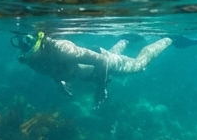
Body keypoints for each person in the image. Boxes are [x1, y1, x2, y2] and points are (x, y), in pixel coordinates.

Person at [15, 31, 171, 103]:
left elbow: (103, 61)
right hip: (90, 71)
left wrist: (101, 88)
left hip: (99, 62)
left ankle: (169, 38)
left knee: (139, 66)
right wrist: (60, 83)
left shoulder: (61, 49)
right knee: (113, 57)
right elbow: (51, 70)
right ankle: (125, 39)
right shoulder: (33, 61)